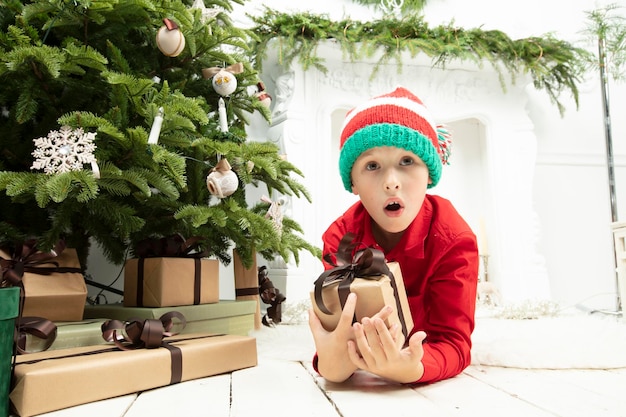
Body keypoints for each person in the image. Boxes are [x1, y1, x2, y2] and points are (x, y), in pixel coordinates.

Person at [308, 86, 479, 384]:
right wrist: (334, 359)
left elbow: (454, 343)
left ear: (429, 174)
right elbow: (337, 327)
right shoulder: (340, 237)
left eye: (407, 161)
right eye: (372, 166)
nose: (391, 183)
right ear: (354, 183)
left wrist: (412, 368)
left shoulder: (454, 239)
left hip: (421, 350)